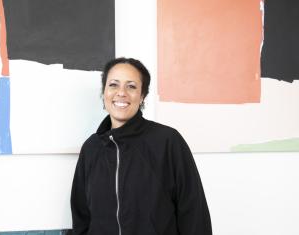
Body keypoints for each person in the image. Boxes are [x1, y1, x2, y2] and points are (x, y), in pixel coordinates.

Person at [70, 57, 212, 235]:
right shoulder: (91, 148)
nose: (121, 92)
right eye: (113, 85)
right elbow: (81, 217)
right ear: (104, 92)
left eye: (131, 86)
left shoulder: (168, 141)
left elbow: (194, 214)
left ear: (142, 95)